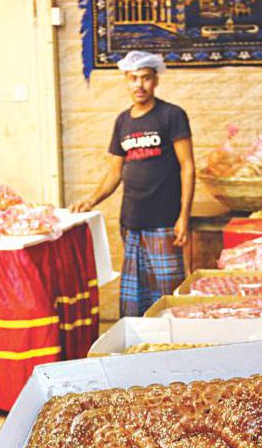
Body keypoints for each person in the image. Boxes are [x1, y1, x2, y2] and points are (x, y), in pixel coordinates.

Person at [70, 50, 194, 316]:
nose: (139, 85)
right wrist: (92, 199)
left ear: (156, 80)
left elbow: (188, 166)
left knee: (168, 295)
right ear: (126, 80)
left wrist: (184, 216)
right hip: (131, 221)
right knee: (135, 294)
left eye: (146, 78)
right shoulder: (123, 121)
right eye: (133, 78)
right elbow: (115, 172)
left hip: (164, 221)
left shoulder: (172, 115)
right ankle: (139, 340)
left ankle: (173, 340)